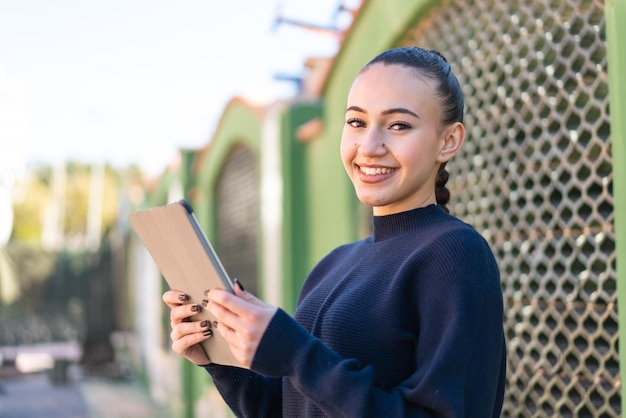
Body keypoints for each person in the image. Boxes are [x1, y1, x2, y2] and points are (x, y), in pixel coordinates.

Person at [163, 46, 506, 417]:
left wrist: (293, 351)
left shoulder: (455, 254)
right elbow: (288, 410)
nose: (369, 147)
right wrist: (221, 359)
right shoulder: (333, 265)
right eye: (357, 122)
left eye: (398, 125)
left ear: (449, 141)